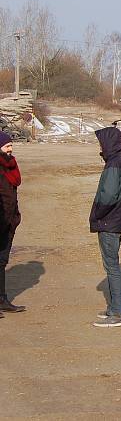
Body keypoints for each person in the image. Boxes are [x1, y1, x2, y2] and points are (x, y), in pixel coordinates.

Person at [90, 127, 121, 328]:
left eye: (101, 142)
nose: (100, 146)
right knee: (112, 265)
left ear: (108, 143)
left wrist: (96, 213)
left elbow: (108, 196)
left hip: (109, 221)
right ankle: (114, 308)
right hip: (118, 219)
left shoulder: (114, 163)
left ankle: (118, 313)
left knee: (112, 266)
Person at [0, 131, 25, 315]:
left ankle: (2, 299)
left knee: (1, 262)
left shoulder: (11, 167)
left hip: (8, 223)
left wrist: (14, 218)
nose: (10, 149)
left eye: (11, 146)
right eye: (7, 146)